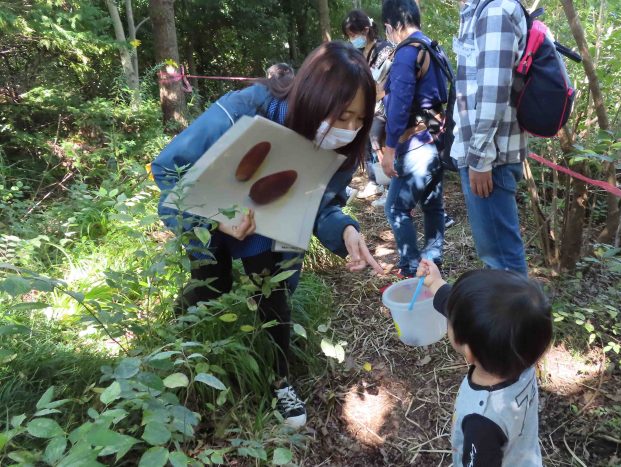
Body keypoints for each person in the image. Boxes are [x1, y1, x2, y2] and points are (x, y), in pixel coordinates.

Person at [151, 41, 384, 428]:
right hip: (210, 220)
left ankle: (279, 380)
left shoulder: (339, 150)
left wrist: (345, 231)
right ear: (313, 97)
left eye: (358, 120)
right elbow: (169, 169)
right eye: (341, 115)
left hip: (270, 230)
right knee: (210, 284)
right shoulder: (247, 108)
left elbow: (321, 205)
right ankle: (181, 358)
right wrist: (213, 218)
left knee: (272, 296)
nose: (348, 130)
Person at [417, 258, 552, 466]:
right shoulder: (521, 353)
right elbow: (467, 316)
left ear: (469, 351)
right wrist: (435, 283)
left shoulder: (482, 422)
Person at [450, 0, 529, 274]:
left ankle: (519, 318)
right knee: (497, 259)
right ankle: (512, 315)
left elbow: (494, 89)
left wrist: (480, 158)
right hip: (484, 155)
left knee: (502, 263)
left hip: (490, 160)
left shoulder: (496, 10)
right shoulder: (480, 11)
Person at [380, 0, 448, 277]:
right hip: (438, 139)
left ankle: (411, 268)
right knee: (433, 205)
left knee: (395, 208)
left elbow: (398, 106)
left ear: (393, 26)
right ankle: (433, 264)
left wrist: (389, 148)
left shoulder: (407, 54)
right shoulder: (433, 48)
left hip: (415, 143)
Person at [341, 9, 394, 203]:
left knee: (380, 143)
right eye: (349, 36)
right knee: (367, 144)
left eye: (354, 34)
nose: (352, 39)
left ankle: (389, 187)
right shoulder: (357, 52)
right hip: (364, 105)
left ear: (366, 29)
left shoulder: (385, 49)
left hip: (383, 104)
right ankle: (375, 181)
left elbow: (386, 79)